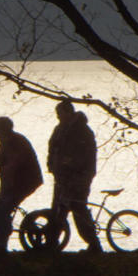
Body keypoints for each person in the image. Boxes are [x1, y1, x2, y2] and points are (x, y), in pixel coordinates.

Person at [0, 116, 43, 253]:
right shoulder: (5, 142)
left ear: (2, 130)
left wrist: (4, 170)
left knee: (3, 211)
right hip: (11, 183)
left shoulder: (18, 141)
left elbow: (17, 162)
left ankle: (1, 246)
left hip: (24, 182)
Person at [47, 100, 102, 252]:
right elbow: (52, 148)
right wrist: (51, 165)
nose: (58, 117)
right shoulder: (59, 129)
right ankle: (51, 243)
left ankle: (93, 244)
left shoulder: (83, 130)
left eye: (60, 114)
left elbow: (86, 154)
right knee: (59, 208)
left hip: (79, 176)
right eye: (57, 114)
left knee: (77, 208)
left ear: (69, 112)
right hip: (61, 176)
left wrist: (71, 163)